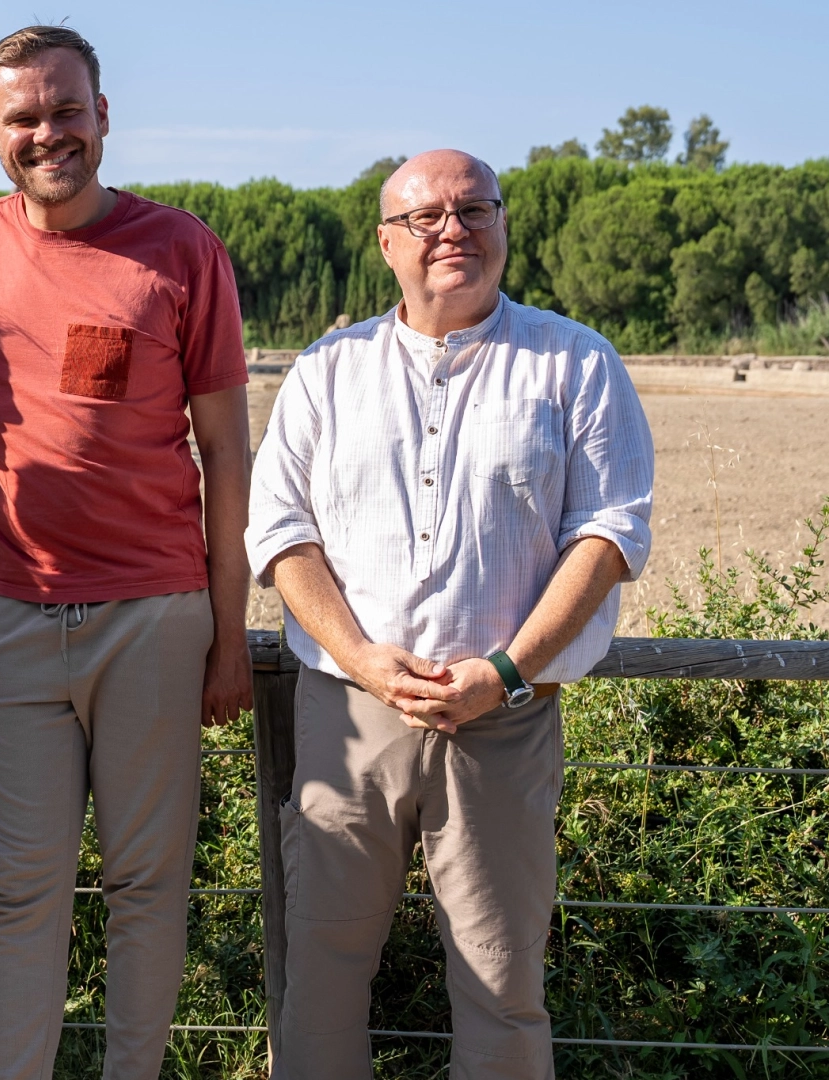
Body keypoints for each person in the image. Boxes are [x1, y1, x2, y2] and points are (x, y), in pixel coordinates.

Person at [245, 149, 655, 1079]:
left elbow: (606, 532)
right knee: (320, 973)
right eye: (424, 218)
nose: (452, 231)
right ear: (387, 243)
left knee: (501, 982)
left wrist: (503, 671)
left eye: (474, 209)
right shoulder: (326, 372)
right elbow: (278, 530)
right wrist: (358, 657)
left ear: (504, 226)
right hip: (348, 715)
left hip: (503, 717)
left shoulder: (575, 363)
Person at [0, 26, 254, 1080]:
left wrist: (227, 635)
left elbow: (227, 453)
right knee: (19, 887)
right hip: (11, 620)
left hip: (152, 614)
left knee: (146, 885)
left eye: (67, 110)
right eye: (24, 117)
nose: (47, 132)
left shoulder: (182, 250)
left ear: (104, 115)